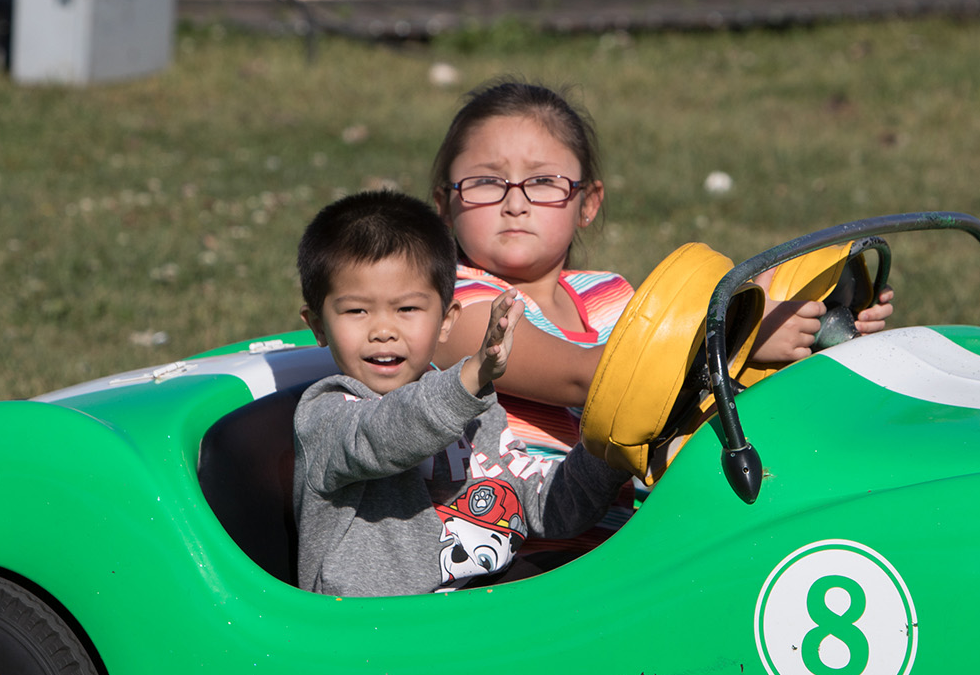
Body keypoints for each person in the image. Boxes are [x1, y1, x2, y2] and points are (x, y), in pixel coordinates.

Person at [430, 78, 895, 467]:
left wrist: (818, 326)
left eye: (543, 181)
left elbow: (677, 393)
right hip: (519, 550)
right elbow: (593, 377)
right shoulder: (452, 307)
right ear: (444, 205)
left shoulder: (609, 293)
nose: (515, 202)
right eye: (487, 181)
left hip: (621, 531)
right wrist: (741, 332)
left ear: (587, 203)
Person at [292, 190, 630, 598]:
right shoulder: (327, 415)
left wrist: (613, 440)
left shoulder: (475, 410)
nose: (383, 329)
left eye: (407, 310)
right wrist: (470, 376)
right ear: (318, 326)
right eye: (357, 311)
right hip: (380, 633)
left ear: (446, 320)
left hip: (483, 605)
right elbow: (389, 433)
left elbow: (546, 508)